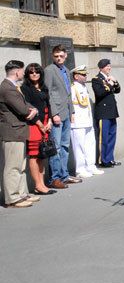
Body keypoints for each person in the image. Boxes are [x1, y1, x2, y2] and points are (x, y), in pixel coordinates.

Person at [1, 60, 38, 208]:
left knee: (20, 166)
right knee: (13, 167)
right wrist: (31, 110)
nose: (24, 73)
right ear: (17, 72)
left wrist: (33, 109)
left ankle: (22, 194)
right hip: (12, 132)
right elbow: (22, 109)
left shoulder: (13, 87)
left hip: (18, 131)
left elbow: (26, 105)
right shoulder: (7, 88)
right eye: (23, 71)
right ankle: (12, 198)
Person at [44, 45, 78, 188]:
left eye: (61, 56)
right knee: (56, 147)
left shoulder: (66, 70)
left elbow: (68, 92)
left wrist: (72, 112)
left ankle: (64, 175)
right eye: (56, 56)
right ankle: (55, 178)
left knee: (65, 146)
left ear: (65, 56)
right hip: (57, 113)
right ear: (53, 56)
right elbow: (49, 93)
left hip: (66, 112)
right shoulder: (49, 70)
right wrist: (54, 114)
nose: (59, 58)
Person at [20, 63, 53, 195]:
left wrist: (49, 121)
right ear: (27, 74)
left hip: (46, 123)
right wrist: (40, 125)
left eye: (37, 72)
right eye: (31, 72)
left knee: (41, 155)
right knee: (34, 156)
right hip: (34, 125)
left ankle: (41, 184)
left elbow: (48, 105)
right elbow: (28, 109)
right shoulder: (25, 88)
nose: (34, 74)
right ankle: (38, 185)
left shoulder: (44, 88)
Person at [70, 65, 102, 179]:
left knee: (90, 144)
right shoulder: (73, 88)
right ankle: (80, 169)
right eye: (83, 74)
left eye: (85, 74)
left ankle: (90, 165)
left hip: (87, 120)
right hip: (78, 122)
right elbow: (70, 105)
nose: (85, 76)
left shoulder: (84, 87)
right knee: (79, 146)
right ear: (76, 76)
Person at [93, 58, 122, 168]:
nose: (109, 68)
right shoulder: (96, 79)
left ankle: (110, 158)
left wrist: (115, 82)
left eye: (109, 66)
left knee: (111, 137)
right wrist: (109, 84)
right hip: (103, 112)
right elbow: (100, 93)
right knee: (103, 138)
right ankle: (102, 160)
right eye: (107, 66)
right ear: (101, 68)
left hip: (112, 112)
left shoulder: (109, 78)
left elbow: (118, 90)